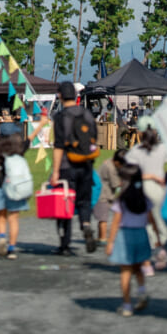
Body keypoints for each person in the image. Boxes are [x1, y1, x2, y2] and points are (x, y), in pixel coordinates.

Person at [0, 121, 48, 259]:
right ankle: (11, 249)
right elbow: (31, 137)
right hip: (16, 188)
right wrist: (42, 124)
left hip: (1, 189)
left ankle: (2, 237)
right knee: (13, 219)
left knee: (2, 216)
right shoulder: (20, 149)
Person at [49, 82, 99, 256]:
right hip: (86, 164)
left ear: (60, 96)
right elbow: (93, 139)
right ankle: (86, 225)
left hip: (66, 166)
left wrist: (55, 171)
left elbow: (59, 146)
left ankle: (65, 244)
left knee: (65, 204)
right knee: (84, 201)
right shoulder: (87, 114)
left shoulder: (60, 117)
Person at [105, 164, 152, 317]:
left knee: (125, 272)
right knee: (138, 268)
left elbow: (116, 222)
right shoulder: (145, 198)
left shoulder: (121, 200)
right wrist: (157, 237)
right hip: (141, 234)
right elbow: (151, 219)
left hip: (125, 236)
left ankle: (127, 306)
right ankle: (142, 291)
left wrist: (110, 242)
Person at [125, 115, 167, 274]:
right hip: (159, 189)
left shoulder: (135, 151)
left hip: (142, 189)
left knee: (145, 225)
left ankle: (146, 263)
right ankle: (161, 247)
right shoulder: (163, 148)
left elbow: (129, 173)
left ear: (140, 132)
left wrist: (148, 176)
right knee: (159, 221)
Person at [94, 149, 127, 252]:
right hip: (102, 195)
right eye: (121, 164)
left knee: (102, 217)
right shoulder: (111, 168)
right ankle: (103, 238)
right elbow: (116, 184)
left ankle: (101, 237)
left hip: (105, 194)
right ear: (117, 162)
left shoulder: (109, 162)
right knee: (103, 218)